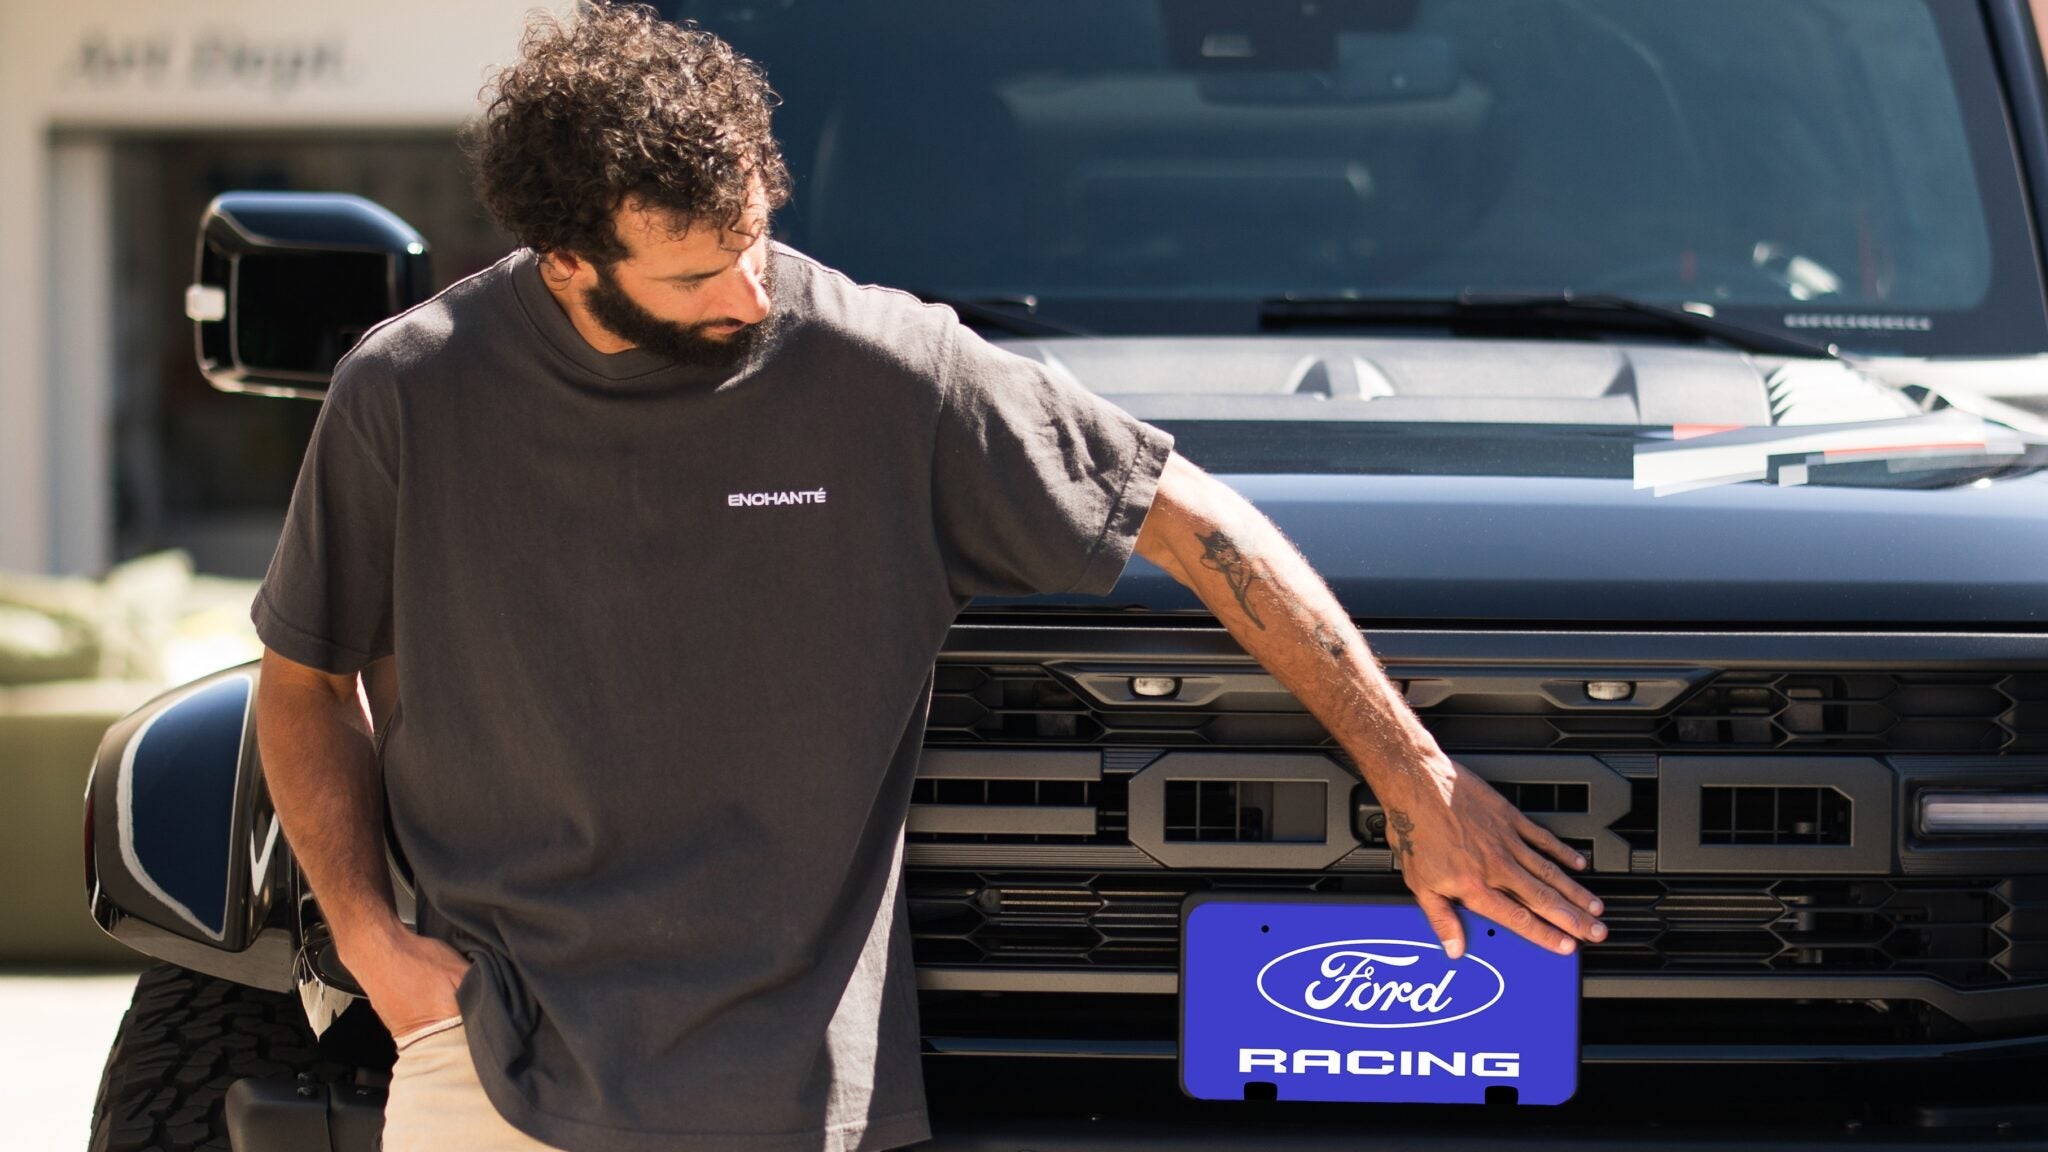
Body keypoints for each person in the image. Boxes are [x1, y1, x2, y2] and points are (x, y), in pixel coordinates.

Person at [250, 5, 1607, 1150]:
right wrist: (369, 938)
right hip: (487, 1061)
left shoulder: (886, 371)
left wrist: (1414, 777)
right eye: (699, 273)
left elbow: (1200, 523)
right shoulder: (409, 392)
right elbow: (303, 680)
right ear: (566, 264)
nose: (752, 296)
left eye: (758, 238)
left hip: (782, 1093)